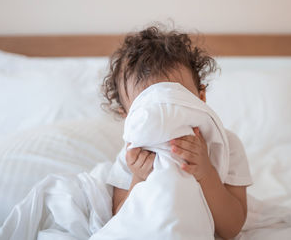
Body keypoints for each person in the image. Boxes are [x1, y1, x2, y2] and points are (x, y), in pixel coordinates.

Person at [102, 25, 253, 239]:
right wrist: (138, 177)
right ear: (129, 117)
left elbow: (231, 229)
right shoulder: (131, 156)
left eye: (177, 105)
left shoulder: (226, 147)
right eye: (149, 111)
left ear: (200, 100)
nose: (166, 119)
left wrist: (206, 172)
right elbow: (120, 221)